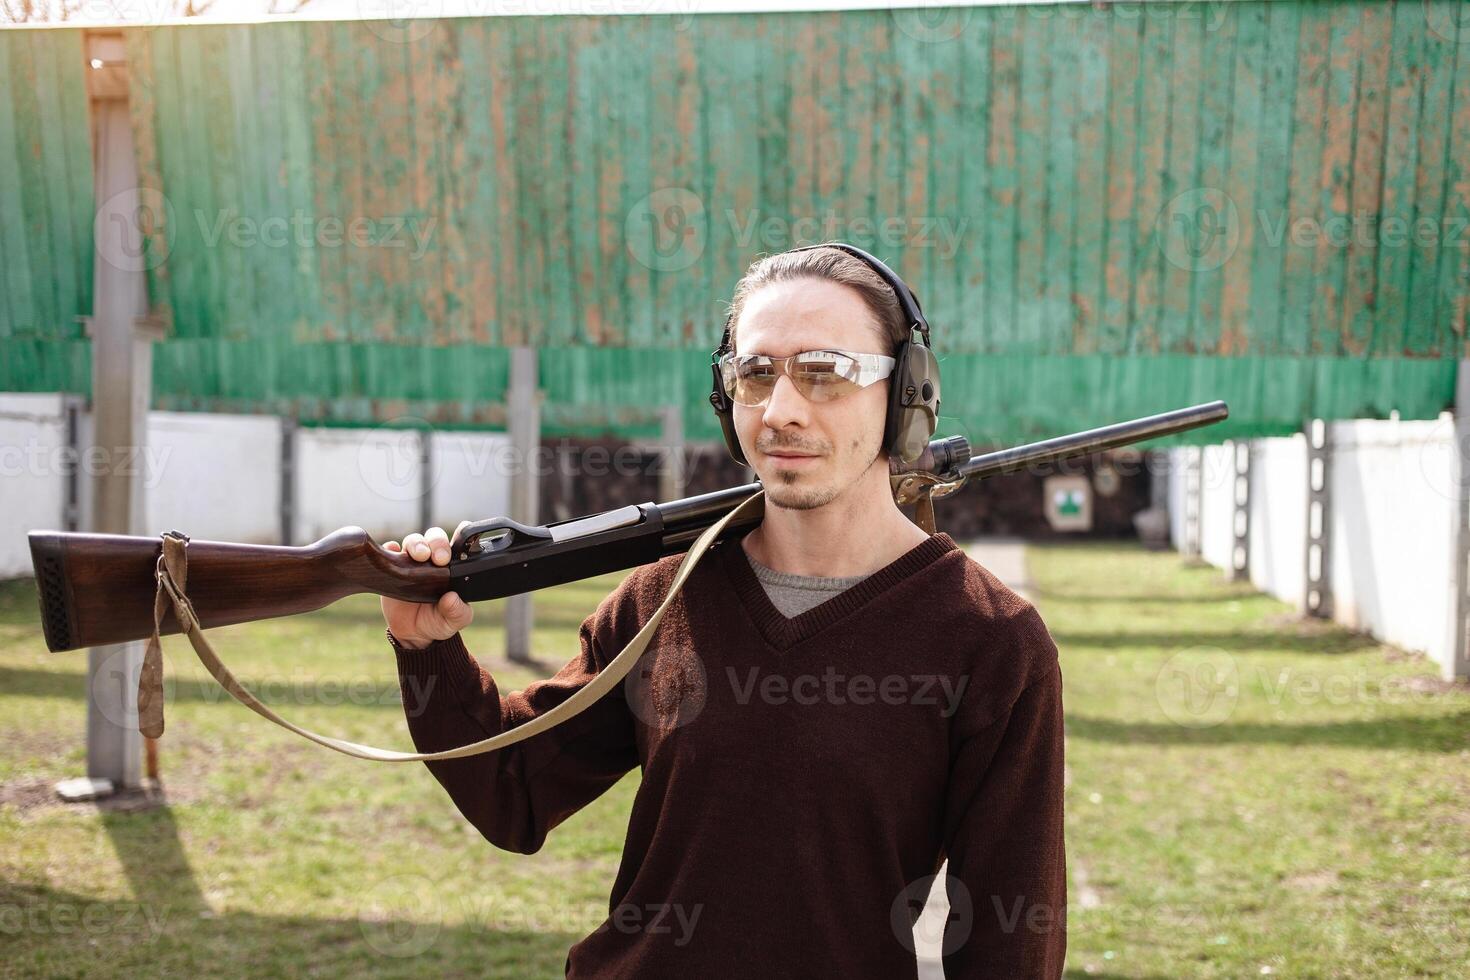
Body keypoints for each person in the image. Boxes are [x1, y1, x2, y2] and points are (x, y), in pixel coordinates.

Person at [381, 244, 1067, 978]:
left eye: (826, 372)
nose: (781, 411)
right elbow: (513, 794)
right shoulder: (663, 597)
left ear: (906, 395)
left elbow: (1010, 945)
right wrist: (427, 651)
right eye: (755, 372)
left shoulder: (990, 642)